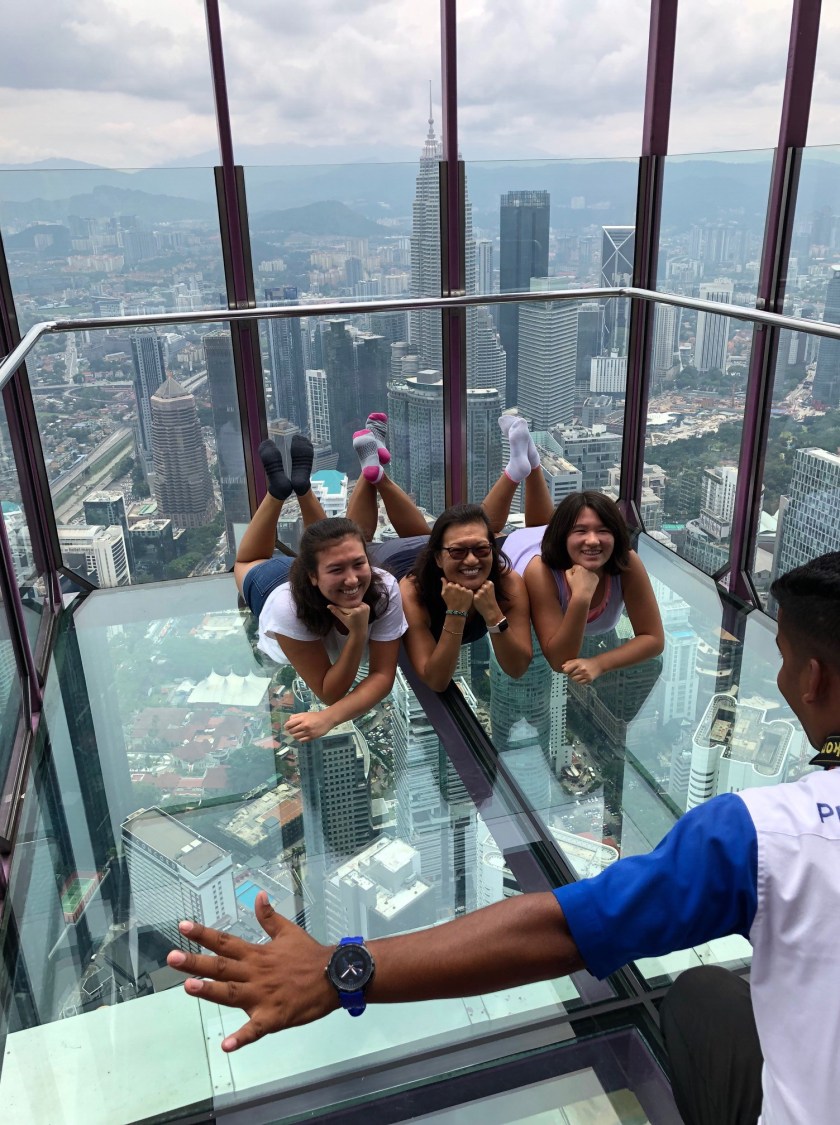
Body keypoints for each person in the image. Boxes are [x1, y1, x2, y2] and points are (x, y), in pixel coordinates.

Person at [169, 550, 840, 1124]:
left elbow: (562, 930)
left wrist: (340, 972)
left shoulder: (769, 834)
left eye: (784, 661)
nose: (781, 680)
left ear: (815, 680)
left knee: (699, 999)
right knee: (708, 996)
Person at [343, 412, 550, 690]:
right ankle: (372, 471)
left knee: (432, 535)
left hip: (432, 547)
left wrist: (493, 613)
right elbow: (435, 680)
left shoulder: (507, 581)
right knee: (361, 542)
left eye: (482, 549)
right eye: (459, 552)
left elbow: (517, 667)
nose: (472, 559)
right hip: (397, 560)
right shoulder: (412, 590)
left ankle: (376, 471)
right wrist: (456, 612)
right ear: (438, 557)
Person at [235, 435, 407, 743]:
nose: (352, 580)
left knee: (326, 545)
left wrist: (328, 717)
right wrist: (357, 633)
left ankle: (295, 488)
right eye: (338, 570)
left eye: (359, 563)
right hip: (271, 584)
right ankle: (279, 492)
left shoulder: (384, 587)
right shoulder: (286, 608)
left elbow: (383, 676)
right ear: (311, 575)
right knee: (248, 562)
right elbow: (330, 691)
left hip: (318, 578)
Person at [503, 490, 664, 683]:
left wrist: (599, 663)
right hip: (518, 544)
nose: (593, 540)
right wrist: (581, 596)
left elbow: (654, 639)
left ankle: (533, 471)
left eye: (603, 531)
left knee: (543, 524)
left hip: (557, 538)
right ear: (564, 536)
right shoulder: (540, 570)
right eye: (581, 531)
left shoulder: (626, 562)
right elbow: (559, 660)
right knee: (493, 532)